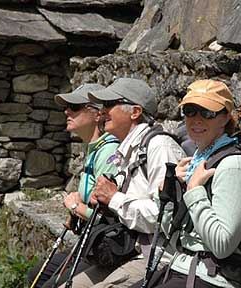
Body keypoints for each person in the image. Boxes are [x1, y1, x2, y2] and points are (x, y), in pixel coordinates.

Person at [131, 79, 241, 288]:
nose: (196, 119)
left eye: (207, 112)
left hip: (214, 276)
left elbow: (222, 245)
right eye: (190, 111)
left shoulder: (233, 166)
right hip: (181, 266)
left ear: (225, 117)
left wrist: (194, 191)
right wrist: (168, 191)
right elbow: (169, 233)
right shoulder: (197, 160)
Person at [61, 77, 186, 288]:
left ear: (135, 112)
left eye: (109, 105)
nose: (102, 112)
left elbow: (165, 219)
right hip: (126, 250)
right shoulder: (127, 150)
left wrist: (114, 198)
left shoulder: (160, 148)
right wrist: (102, 202)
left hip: (156, 256)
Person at [27, 83, 120, 288]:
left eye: (75, 107)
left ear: (97, 114)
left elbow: (112, 216)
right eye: (68, 106)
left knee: (52, 284)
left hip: (105, 245)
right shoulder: (93, 148)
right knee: (37, 275)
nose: (66, 111)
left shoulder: (109, 152)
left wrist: (75, 207)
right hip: (89, 241)